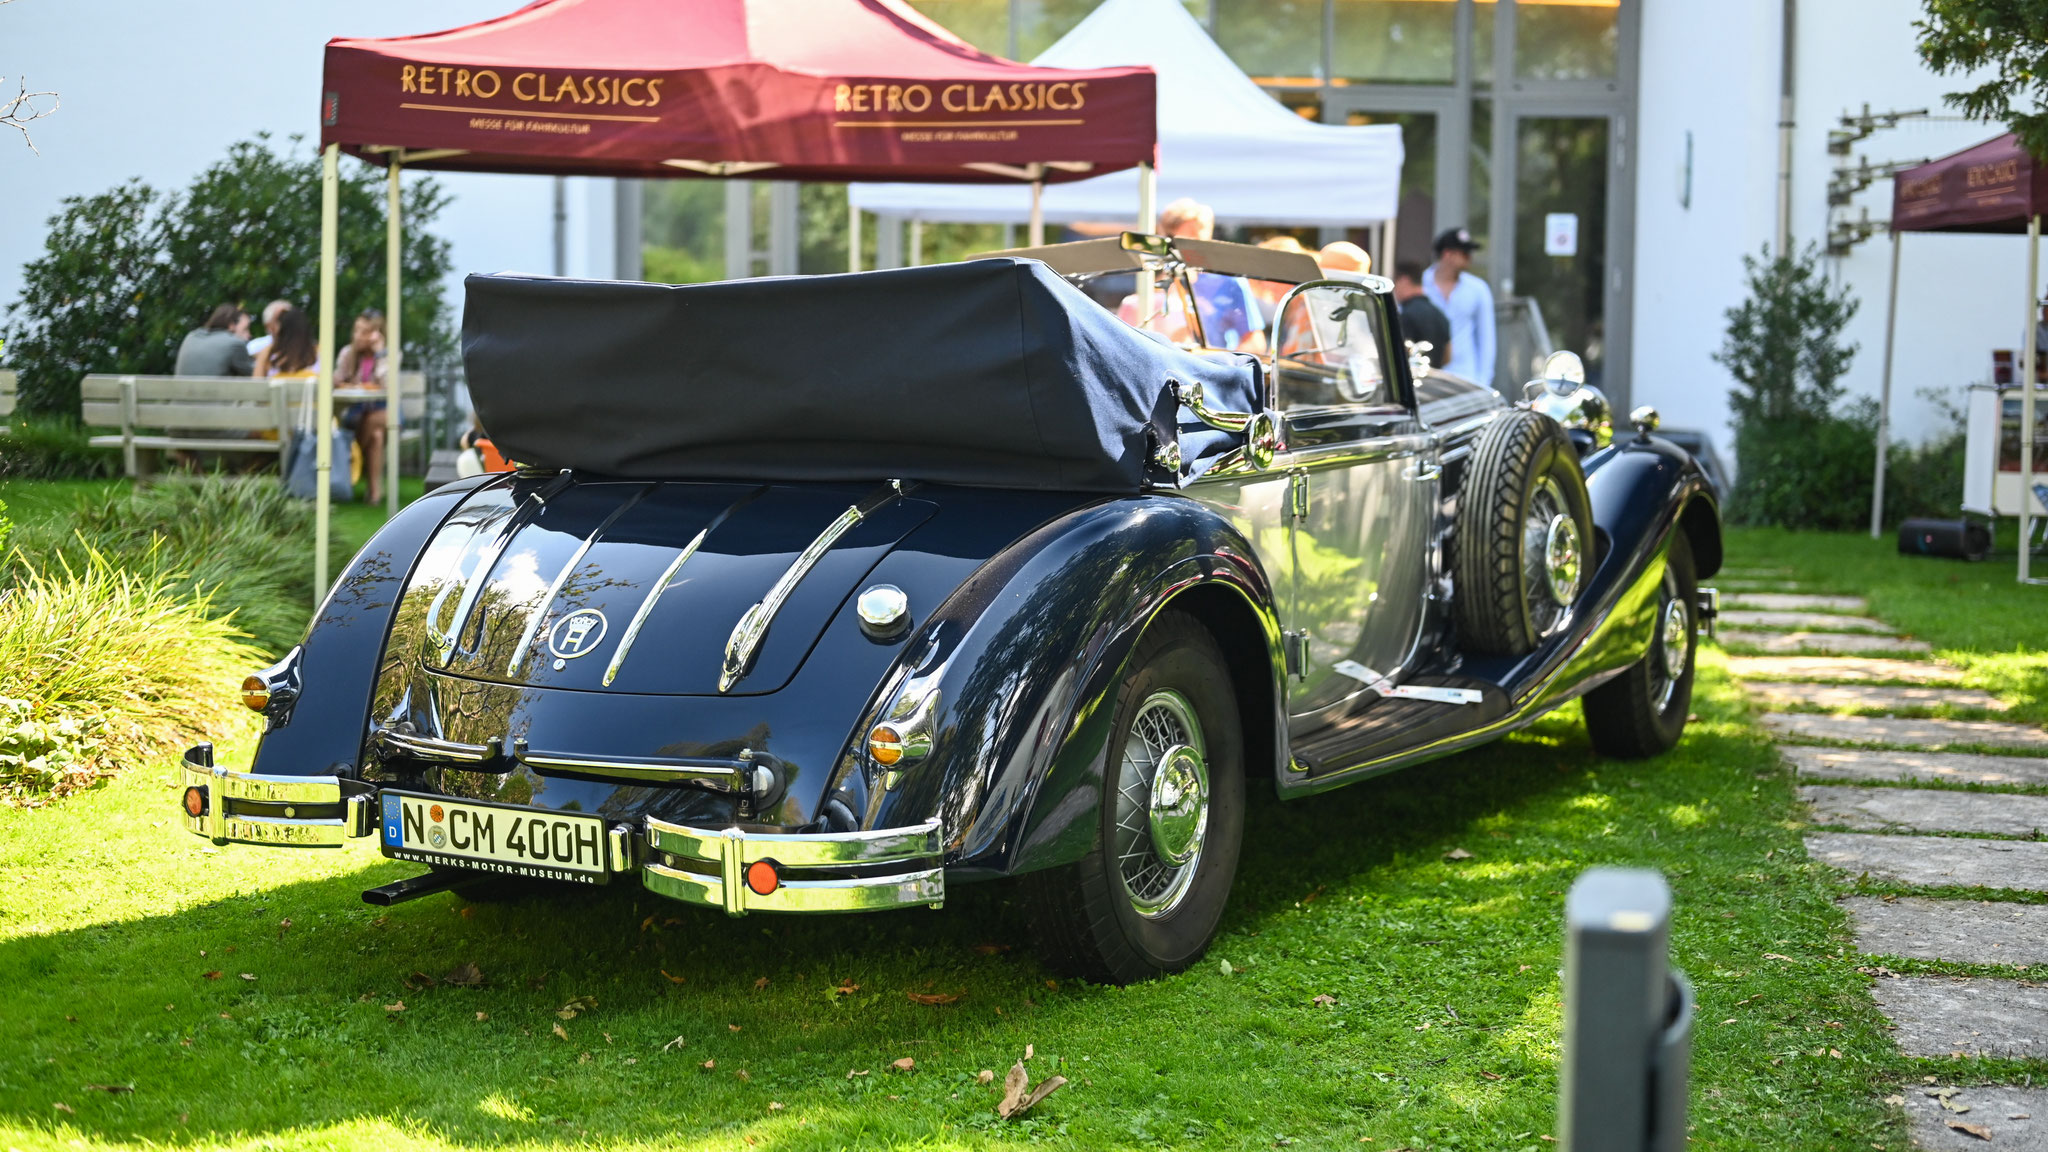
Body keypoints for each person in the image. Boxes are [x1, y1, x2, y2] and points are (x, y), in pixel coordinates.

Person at [1422, 227, 1496, 387]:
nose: (1469, 258)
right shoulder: (1421, 284)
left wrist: (1483, 382)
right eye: (1464, 253)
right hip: (1426, 378)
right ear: (1448, 254)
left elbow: (1486, 338)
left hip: (1466, 378)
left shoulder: (1478, 289)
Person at [334, 308, 390, 505]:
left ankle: (357, 460)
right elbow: (336, 380)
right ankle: (374, 490)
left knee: (378, 420)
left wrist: (381, 353)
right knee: (376, 435)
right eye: (357, 330)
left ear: (376, 334)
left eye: (365, 331)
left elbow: (388, 385)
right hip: (355, 414)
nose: (358, 335)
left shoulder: (388, 354)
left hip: (383, 412)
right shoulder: (348, 354)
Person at [1392, 261, 1451, 370]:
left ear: (1404, 280)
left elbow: (1397, 355)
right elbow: (1448, 357)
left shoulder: (1406, 316)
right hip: (1434, 379)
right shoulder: (1440, 315)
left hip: (1411, 380)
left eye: (1395, 284)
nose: (1394, 291)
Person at [174, 304, 255, 377]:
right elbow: (257, 377)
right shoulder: (235, 344)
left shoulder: (190, 337)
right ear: (231, 326)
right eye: (245, 329)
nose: (249, 335)